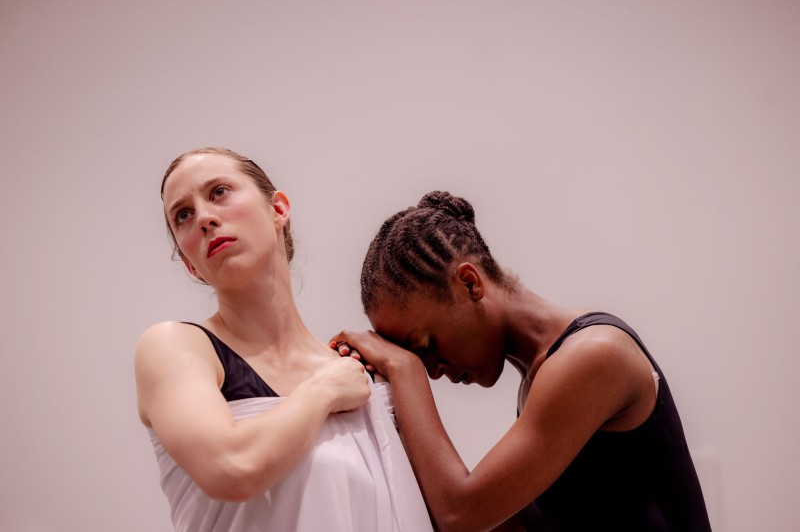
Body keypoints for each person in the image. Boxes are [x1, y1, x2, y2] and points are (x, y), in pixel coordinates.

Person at [330, 191, 712, 532]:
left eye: (424, 343)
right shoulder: (541, 375)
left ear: (469, 283)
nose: (432, 369)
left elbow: (460, 516)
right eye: (417, 358)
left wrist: (404, 371)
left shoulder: (592, 355)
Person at [134, 147, 432, 532]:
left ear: (278, 209)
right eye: (183, 216)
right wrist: (323, 390)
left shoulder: (369, 379)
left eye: (219, 192)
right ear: (191, 264)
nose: (205, 218)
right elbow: (232, 468)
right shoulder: (174, 347)